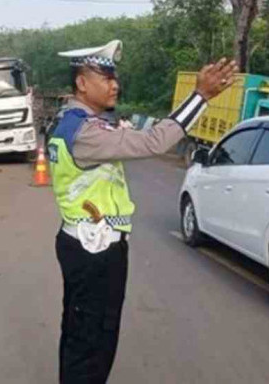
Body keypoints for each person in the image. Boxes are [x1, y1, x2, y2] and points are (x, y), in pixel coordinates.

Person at [48, 40, 237, 383]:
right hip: (95, 250)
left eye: (114, 77)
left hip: (88, 243)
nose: (114, 84)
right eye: (105, 76)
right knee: (93, 342)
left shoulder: (77, 121)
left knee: (81, 334)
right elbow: (154, 142)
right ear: (81, 83)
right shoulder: (85, 131)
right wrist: (201, 97)